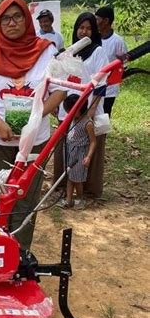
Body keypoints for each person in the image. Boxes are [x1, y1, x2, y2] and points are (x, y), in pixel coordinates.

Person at [0, 0, 66, 251]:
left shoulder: (46, 51)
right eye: (5, 18)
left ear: (26, 19)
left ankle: (17, 258)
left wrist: (36, 118)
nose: (11, 22)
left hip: (34, 141)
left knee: (24, 200)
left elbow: (59, 90)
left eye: (17, 16)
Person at [54, 12, 109, 200]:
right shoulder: (69, 52)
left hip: (88, 108)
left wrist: (91, 110)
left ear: (93, 31)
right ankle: (63, 185)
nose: (83, 31)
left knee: (87, 146)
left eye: (88, 28)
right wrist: (56, 104)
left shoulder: (98, 52)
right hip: (68, 106)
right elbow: (60, 79)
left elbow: (102, 82)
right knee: (67, 146)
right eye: (81, 27)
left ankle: (88, 189)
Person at [58, 94, 96, 210]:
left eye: (71, 111)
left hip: (80, 154)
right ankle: (69, 200)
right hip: (70, 151)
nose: (69, 114)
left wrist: (88, 157)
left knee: (77, 179)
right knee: (70, 176)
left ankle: (80, 199)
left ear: (79, 109)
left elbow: (93, 142)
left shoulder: (87, 123)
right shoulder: (73, 119)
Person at [95, 6, 128, 116]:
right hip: (93, 84)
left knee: (104, 115)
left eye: (97, 19)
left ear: (106, 21)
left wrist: (112, 79)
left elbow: (124, 65)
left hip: (109, 89)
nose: (95, 22)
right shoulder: (94, 38)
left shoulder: (117, 41)